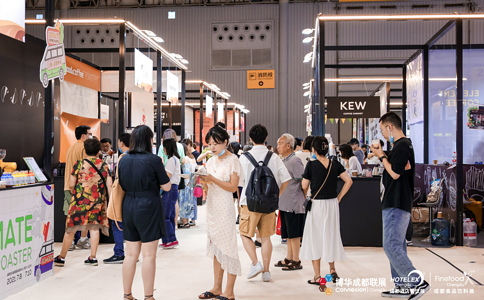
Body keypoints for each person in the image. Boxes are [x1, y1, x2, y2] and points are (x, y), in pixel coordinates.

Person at [370, 112, 430, 299]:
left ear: (390, 127)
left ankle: (416, 282)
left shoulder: (403, 145)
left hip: (396, 203)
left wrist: (381, 156)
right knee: (397, 245)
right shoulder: (402, 146)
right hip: (396, 202)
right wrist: (383, 154)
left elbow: (395, 173)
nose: (383, 134)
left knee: (391, 246)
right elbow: (396, 168)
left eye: (383, 130)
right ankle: (402, 287)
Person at [116, 125, 171, 300]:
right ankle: (148, 296)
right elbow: (167, 186)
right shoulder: (154, 160)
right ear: (149, 139)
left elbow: (121, 184)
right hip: (148, 206)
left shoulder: (123, 159)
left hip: (128, 206)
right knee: (149, 255)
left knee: (130, 254)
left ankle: (127, 295)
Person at [196, 126, 244, 300]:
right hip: (212, 208)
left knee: (228, 247)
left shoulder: (233, 160)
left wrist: (212, 179)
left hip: (225, 208)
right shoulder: (210, 161)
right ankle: (217, 287)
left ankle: (229, 292)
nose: (212, 147)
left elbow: (232, 187)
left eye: (216, 143)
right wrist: (202, 180)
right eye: (209, 144)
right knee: (216, 248)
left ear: (225, 142)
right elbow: (209, 187)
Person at [239, 124, 291, 282]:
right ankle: (266, 272)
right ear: (266, 138)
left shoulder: (244, 157)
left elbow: (240, 181)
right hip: (269, 203)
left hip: (249, 203)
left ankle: (255, 263)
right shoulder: (274, 157)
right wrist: (276, 195)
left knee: (245, 234)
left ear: (250, 139)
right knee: (266, 237)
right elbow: (286, 179)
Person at [301, 136, 353, 285]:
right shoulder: (335, 164)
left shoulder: (311, 165)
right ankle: (332, 269)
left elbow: (304, 186)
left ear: (313, 149)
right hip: (332, 204)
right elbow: (349, 180)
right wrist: (339, 197)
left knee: (314, 237)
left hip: (317, 204)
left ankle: (317, 276)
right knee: (331, 235)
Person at [54, 138, 113, 267]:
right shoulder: (104, 165)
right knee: (94, 228)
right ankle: (93, 258)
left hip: (79, 200)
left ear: (85, 151)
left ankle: (61, 257)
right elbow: (109, 185)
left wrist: (78, 191)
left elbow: (70, 184)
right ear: (98, 151)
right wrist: (110, 201)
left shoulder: (79, 164)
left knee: (71, 228)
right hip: (97, 201)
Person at [274, 134, 306, 271]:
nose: (278, 146)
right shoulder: (284, 160)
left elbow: (304, 181)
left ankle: (296, 260)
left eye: (280, 143)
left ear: (288, 145)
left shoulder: (295, 160)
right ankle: (289, 258)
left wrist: (303, 198)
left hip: (293, 203)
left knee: (294, 234)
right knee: (287, 234)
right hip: (285, 203)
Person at [103, 133, 131, 264]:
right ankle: (132, 254)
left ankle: (119, 253)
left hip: (121, 194)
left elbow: (120, 178)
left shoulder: (122, 158)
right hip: (133, 195)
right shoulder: (137, 156)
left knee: (117, 223)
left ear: (121, 143)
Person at [64, 125, 91, 251]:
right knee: (84, 215)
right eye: (89, 134)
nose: (90, 137)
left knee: (71, 215)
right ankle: (83, 240)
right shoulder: (84, 148)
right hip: (80, 186)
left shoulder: (70, 148)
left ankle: (68, 243)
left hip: (67, 185)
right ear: (83, 136)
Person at [160, 138, 181, 249]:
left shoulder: (172, 160)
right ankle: (168, 240)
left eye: (164, 147)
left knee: (165, 216)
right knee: (170, 215)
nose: (163, 150)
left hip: (170, 188)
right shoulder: (175, 159)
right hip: (173, 189)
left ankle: (171, 239)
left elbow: (167, 175)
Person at [178, 143, 197, 228]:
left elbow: (185, 173)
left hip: (184, 183)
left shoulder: (184, 159)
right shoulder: (192, 158)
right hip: (191, 183)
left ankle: (185, 222)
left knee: (182, 202)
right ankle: (187, 220)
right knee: (189, 202)